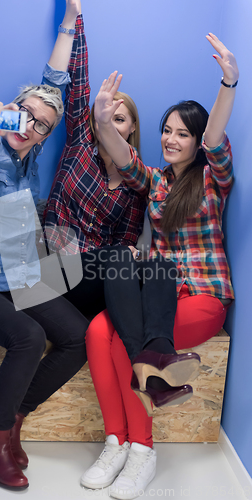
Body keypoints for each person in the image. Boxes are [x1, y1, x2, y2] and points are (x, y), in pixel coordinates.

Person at [80, 34, 238, 499]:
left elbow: (215, 140)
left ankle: (142, 452)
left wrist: (228, 81)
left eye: (182, 133)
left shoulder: (213, 177)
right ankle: (116, 442)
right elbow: (122, 153)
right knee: (96, 331)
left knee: (126, 346)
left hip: (204, 296)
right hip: (161, 291)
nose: (171, 139)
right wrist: (103, 117)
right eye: (167, 130)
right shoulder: (155, 181)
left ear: (196, 142)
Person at [0, 0, 89, 491]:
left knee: (78, 335)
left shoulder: (31, 156)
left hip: (19, 279)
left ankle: (16, 418)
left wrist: (70, 21)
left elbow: (53, 84)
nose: (29, 125)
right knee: (28, 337)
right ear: (13, 109)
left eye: (41, 124)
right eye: (23, 114)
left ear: (47, 135)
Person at [43, 9, 147, 318]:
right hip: (55, 269)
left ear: (131, 129)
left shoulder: (136, 183)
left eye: (120, 119)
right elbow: (77, 80)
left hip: (95, 280)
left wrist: (126, 254)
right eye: (107, 117)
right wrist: (76, 17)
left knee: (139, 264)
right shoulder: (80, 142)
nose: (112, 125)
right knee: (119, 260)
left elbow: (125, 241)